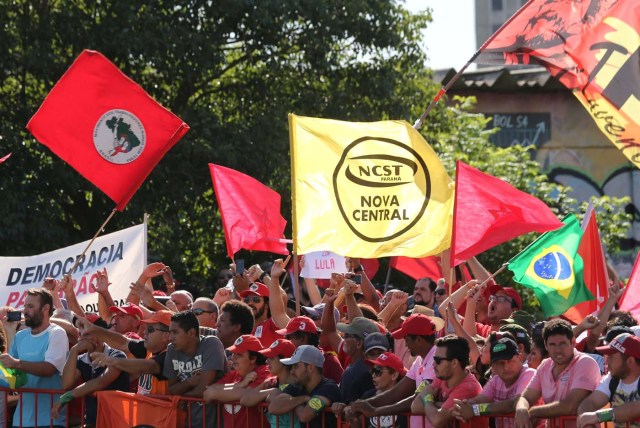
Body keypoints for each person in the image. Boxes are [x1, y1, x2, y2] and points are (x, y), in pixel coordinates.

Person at [350, 314, 438, 427]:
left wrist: (376, 411)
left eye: (407, 340)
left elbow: (418, 399)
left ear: (418, 340)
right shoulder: (420, 360)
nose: (406, 344)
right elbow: (396, 392)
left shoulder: (436, 359)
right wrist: (364, 404)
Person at [0, 288, 69, 428]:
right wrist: (9, 331)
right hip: (20, 421)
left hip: (50, 421)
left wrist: (17, 364)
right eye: (24, 306)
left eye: (30, 306)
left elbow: (49, 369)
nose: (25, 311)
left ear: (45, 308)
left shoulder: (57, 333)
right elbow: (12, 376)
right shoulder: (20, 336)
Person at [515, 319, 601, 428]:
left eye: (562, 343)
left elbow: (570, 406)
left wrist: (532, 412)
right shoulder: (544, 365)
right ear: (546, 346)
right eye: (552, 344)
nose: (558, 350)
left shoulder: (586, 363)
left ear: (573, 342)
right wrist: (521, 409)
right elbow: (525, 398)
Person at [52, 317, 129, 426]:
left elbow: (101, 382)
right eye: (80, 334)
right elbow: (66, 384)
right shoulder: (81, 359)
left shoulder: (117, 356)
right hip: (93, 421)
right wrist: (74, 351)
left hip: (116, 420)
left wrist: (67, 397)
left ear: (101, 334)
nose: (81, 338)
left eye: (86, 334)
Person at [82, 310, 172, 395]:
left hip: (165, 411)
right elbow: (123, 343)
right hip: (148, 410)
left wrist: (111, 360)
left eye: (150, 329)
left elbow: (150, 366)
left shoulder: (173, 355)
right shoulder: (148, 348)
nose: (145, 332)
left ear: (166, 335)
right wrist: (94, 329)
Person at [452, 337, 536, 428]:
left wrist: (475, 410)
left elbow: (513, 404)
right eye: (501, 363)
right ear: (493, 366)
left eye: (510, 361)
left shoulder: (529, 374)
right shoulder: (496, 380)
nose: (506, 367)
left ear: (520, 358)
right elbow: (479, 400)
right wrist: (465, 405)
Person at [163, 310, 227, 427]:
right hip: (191, 422)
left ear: (191, 332)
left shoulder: (211, 344)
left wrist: (182, 397)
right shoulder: (172, 349)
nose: (170, 338)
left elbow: (203, 388)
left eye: (175, 332)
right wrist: (189, 382)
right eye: (170, 332)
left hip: (217, 422)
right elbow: (172, 389)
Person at [412, 335, 486, 428]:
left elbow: (437, 420)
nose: (434, 364)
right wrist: (441, 405)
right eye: (434, 359)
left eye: (438, 360)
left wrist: (427, 399)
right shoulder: (441, 377)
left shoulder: (469, 387)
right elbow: (415, 406)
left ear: (454, 363)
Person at [204, 334, 270, 427]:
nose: (233, 358)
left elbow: (249, 395)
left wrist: (219, 392)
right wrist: (239, 385)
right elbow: (207, 393)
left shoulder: (264, 372)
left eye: (239, 355)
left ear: (253, 358)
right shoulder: (234, 374)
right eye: (233, 353)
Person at [269, 345, 342, 428]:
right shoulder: (297, 385)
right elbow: (273, 408)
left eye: (296, 366)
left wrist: (292, 401)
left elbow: (304, 416)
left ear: (310, 368)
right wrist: (303, 399)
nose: (292, 371)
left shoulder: (329, 387)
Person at [577, 333, 640, 428]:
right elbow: (589, 403)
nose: (606, 361)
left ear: (630, 361)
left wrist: (599, 416)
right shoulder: (612, 379)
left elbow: (636, 408)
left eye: (611, 357)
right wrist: (588, 424)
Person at [344, 352, 408, 428]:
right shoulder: (367, 396)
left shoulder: (406, 400)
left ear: (394, 375)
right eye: (372, 370)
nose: (373, 375)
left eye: (377, 371)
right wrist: (352, 419)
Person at [276, 315, 344, 384]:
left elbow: (340, 391)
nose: (286, 340)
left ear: (303, 338)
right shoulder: (289, 358)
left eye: (289, 337)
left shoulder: (328, 361)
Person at [336, 317, 379, 403]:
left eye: (347, 336)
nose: (343, 338)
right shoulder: (377, 368)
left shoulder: (353, 372)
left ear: (359, 343)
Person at [240, 282, 283, 347]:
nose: (250, 303)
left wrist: (263, 275)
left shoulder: (274, 323)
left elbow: (282, 296)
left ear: (267, 305)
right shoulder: (241, 328)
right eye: (247, 300)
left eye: (256, 299)